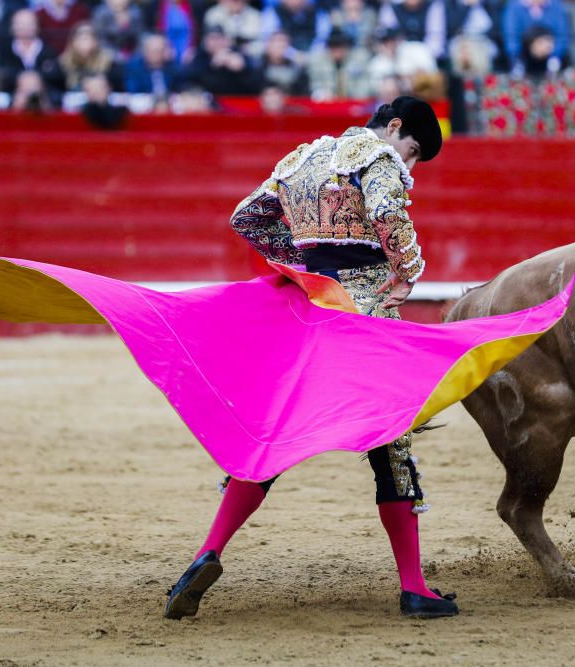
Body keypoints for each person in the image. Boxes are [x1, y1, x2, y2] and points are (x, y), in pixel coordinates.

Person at [163, 96, 457, 620]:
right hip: (364, 315)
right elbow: (389, 214)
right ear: (394, 127)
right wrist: (408, 270)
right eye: (411, 150)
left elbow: (247, 217)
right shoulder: (378, 158)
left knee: (273, 436)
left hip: (310, 311)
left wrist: (302, 263)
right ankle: (414, 587)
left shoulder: (303, 158)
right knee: (390, 442)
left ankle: (208, 551)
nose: (408, 166)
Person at [307, 26, 371, 99]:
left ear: (347, 47)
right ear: (328, 48)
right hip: (328, 102)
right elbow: (315, 85)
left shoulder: (359, 59)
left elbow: (364, 84)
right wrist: (321, 93)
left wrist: (356, 97)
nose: (338, 51)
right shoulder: (318, 61)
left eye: (341, 46)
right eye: (334, 46)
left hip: (353, 101)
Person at [125, 31, 182, 95]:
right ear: (145, 51)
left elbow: (180, 90)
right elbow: (132, 91)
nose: (155, 54)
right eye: (152, 51)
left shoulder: (173, 67)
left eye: (159, 51)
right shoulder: (134, 67)